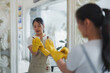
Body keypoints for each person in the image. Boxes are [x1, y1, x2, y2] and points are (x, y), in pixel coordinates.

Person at [45, 3, 110, 73]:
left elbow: (66, 70)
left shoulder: (81, 50)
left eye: (78, 23)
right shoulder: (107, 46)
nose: (78, 27)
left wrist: (54, 53)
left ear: (87, 23)